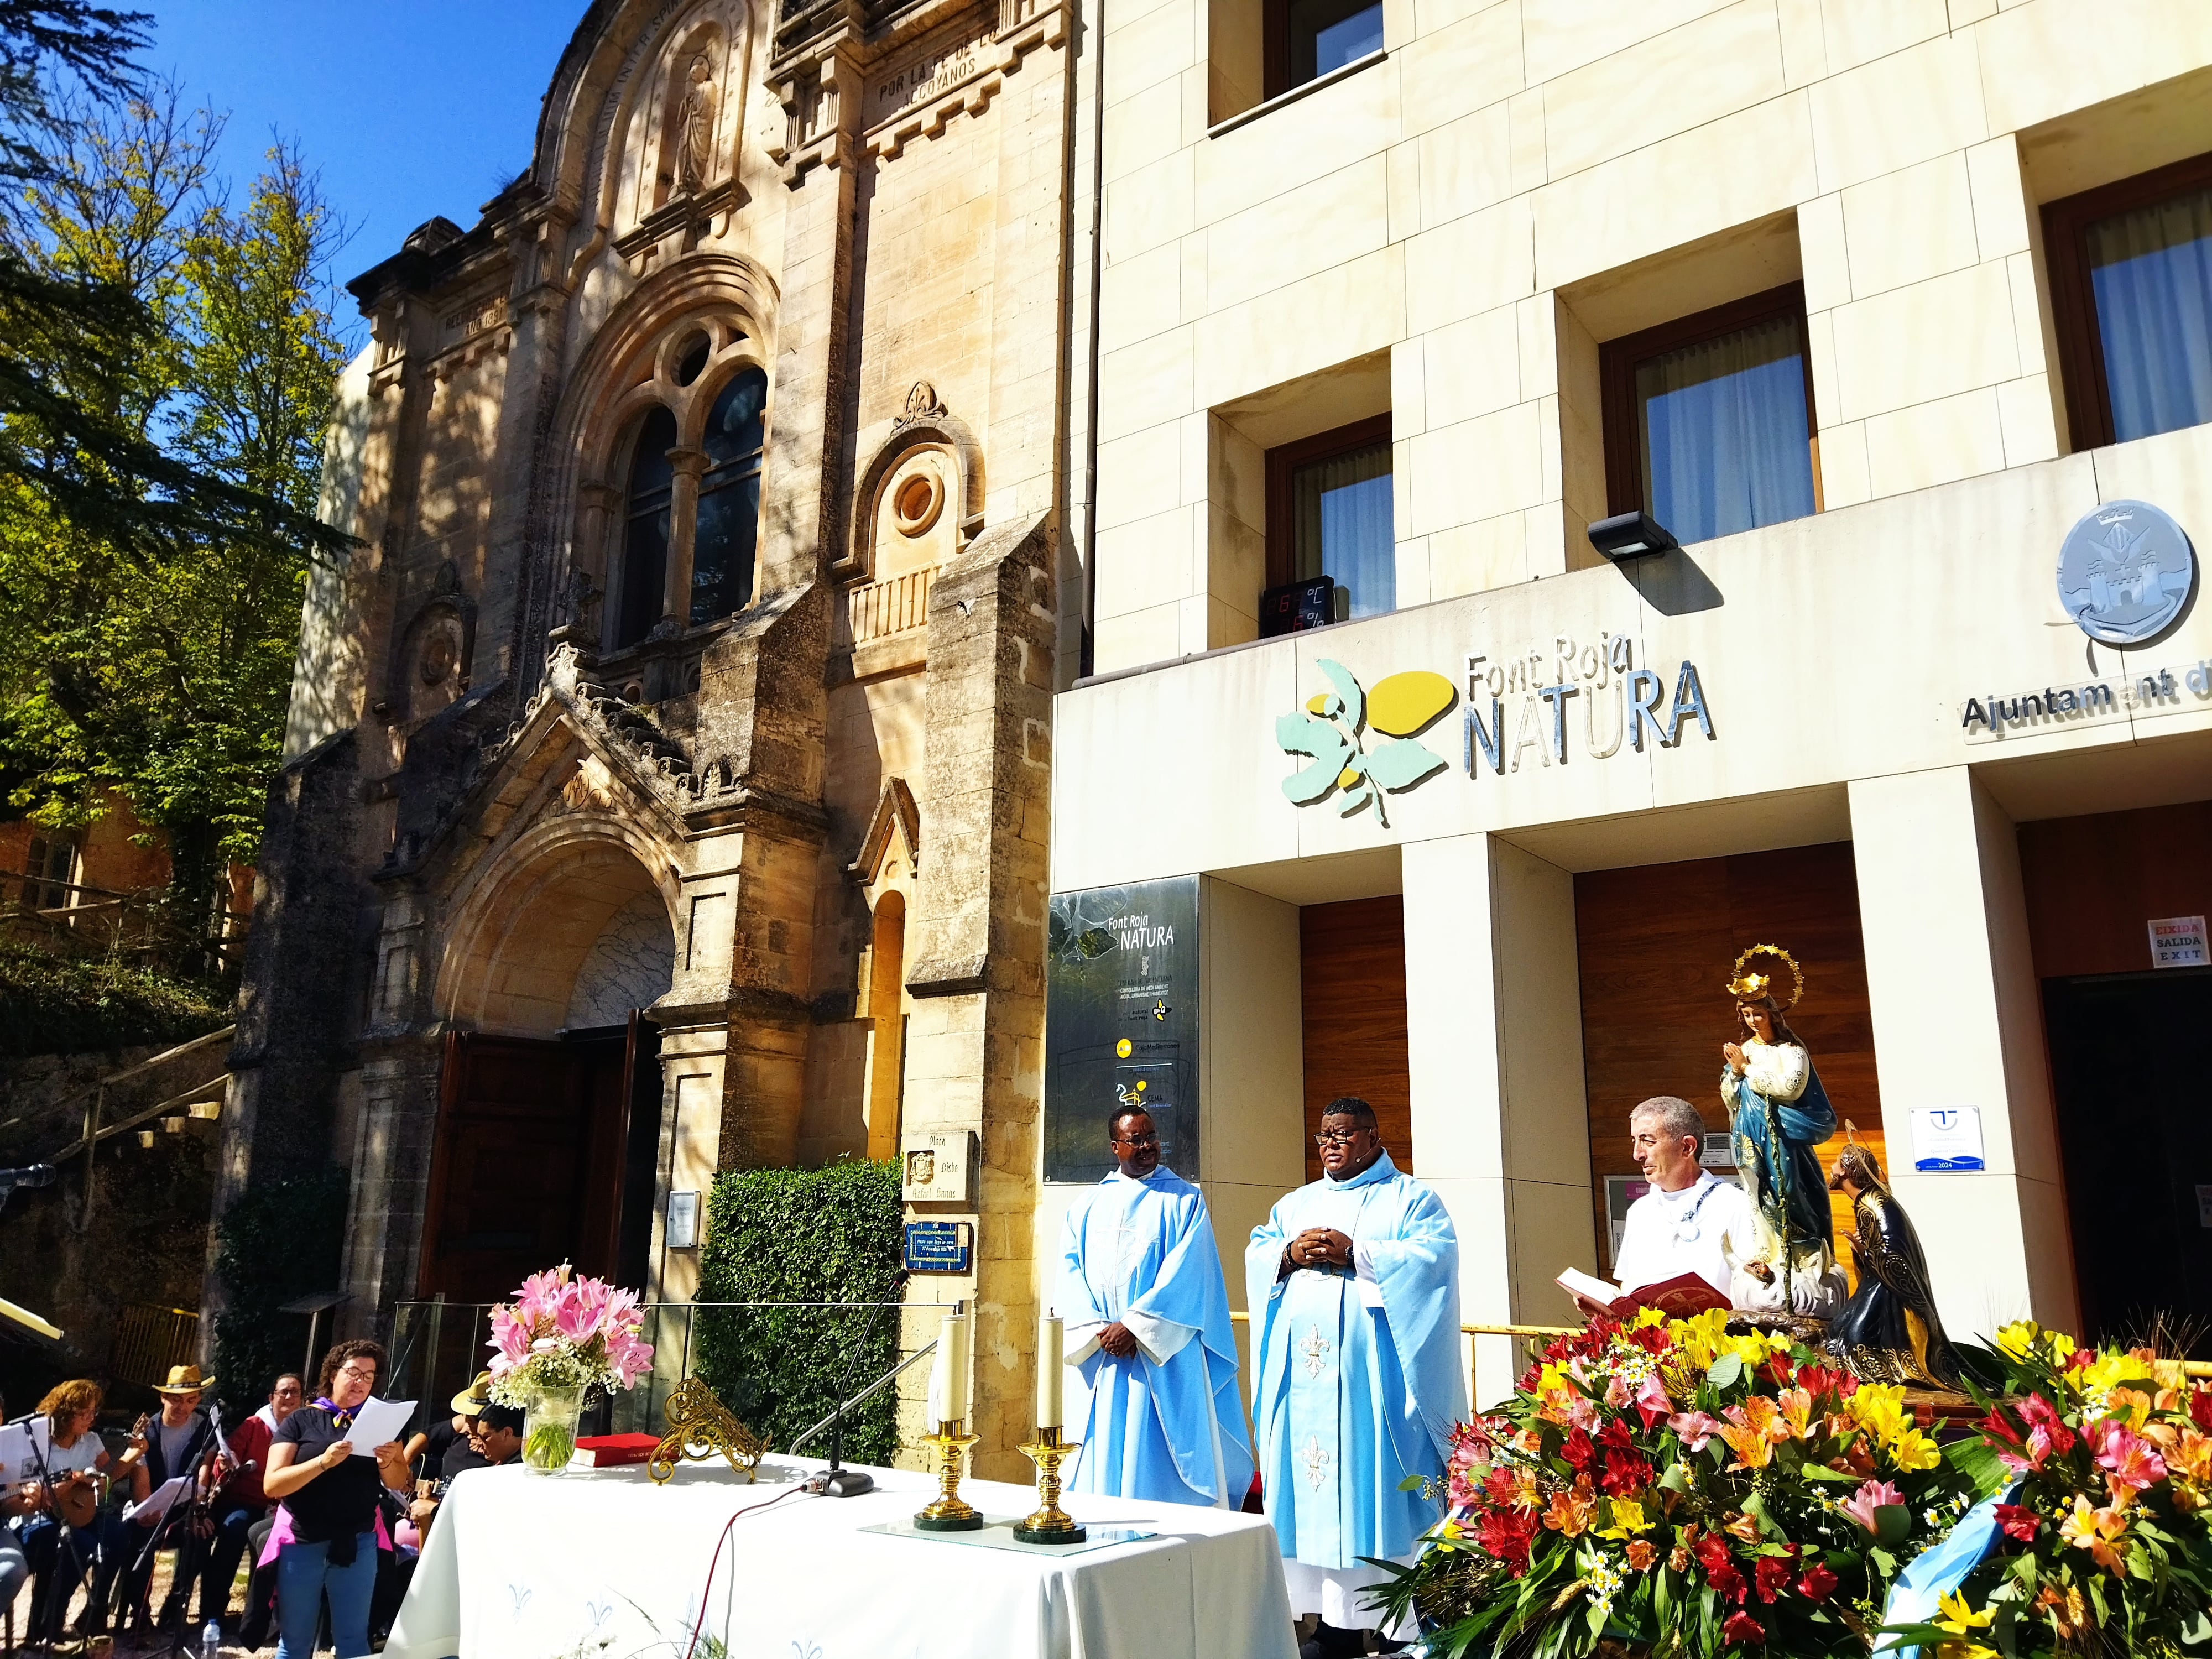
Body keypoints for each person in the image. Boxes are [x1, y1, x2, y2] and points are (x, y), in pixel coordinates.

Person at [1247, 1098, 1464, 1659]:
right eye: (1323, 1136)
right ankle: (1330, 1629)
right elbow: (1258, 1251)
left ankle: (1394, 1629)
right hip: (1305, 1393)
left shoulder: (1410, 1198)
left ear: (1372, 1137)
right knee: (1311, 1491)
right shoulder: (1296, 1203)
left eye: (1343, 1134)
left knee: (1371, 1493)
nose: (1331, 1145)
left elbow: (1433, 1260)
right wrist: (1289, 1254)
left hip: (1373, 1393)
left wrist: (1360, 1255)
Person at [1055, 1105, 1254, 1507]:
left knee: (1163, 1458)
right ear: (1115, 1147)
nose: (1147, 1146)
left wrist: (1134, 1327)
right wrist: (1100, 1331)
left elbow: (1189, 1276)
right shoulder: (1086, 1207)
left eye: (1152, 1137)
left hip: (1165, 1356)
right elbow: (1068, 1274)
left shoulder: (1185, 1201)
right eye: (1136, 1140)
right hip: (1106, 1357)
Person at [260, 1339, 412, 1659]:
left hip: (358, 1542)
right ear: (333, 1374)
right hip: (303, 1542)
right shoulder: (301, 1420)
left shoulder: (380, 1421)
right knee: (294, 1643)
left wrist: (387, 1461)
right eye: (354, 1372)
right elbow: (273, 1484)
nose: (360, 1382)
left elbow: (399, 1482)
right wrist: (322, 1463)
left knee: (354, 1642)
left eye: (369, 1377)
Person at [1720, 949, 1846, 1314]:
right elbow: (1731, 1097)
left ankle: (1803, 1254)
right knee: (1758, 1193)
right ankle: (1771, 1252)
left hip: (1784, 1139)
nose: (1753, 1019)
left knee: (1789, 1192)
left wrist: (1745, 1071)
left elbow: (1789, 1087)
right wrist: (1731, 1077)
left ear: (1772, 1013)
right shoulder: (1743, 1050)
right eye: (1746, 1014)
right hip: (1748, 1134)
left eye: (1758, 1013)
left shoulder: (1792, 1051)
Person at [1824, 1144, 1961, 1387]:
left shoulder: (1871, 1204)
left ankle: (1882, 1385)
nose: (1832, 1169)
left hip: (1889, 1288)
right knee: (1838, 1327)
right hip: (1877, 1280)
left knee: (1858, 1337)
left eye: (1836, 1164)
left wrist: (1863, 1250)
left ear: (1845, 1171)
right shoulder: (1869, 1200)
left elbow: (1892, 1255)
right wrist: (1861, 1249)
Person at [1603, 1095, 1758, 1306]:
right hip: (1652, 1337)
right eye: (1635, 1141)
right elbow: (1628, 1287)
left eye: (1647, 1141)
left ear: (1687, 1147)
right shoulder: (1640, 1211)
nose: (1637, 1154)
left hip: (1720, 1336)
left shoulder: (1737, 1206)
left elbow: (1755, 1292)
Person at [18, 1378, 133, 1645]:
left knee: (117, 1535)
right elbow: (37, 1496)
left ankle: (95, 1613)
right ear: (65, 1413)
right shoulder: (40, 1442)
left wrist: (132, 1457)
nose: (92, 1419)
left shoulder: (91, 1440)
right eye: (85, 1413)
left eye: (94, 1412)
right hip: (42, 1517)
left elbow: (107, 1476)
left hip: (79, 1512)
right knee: (79, 1544)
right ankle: (48, 1624)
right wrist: (73, 1478)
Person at [117, 1364, 221, 1634]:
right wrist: (147, 1510)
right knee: (141, 1539)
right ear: (163, 1397)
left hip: (185, 1507)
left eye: (190, 1400)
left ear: (198, 1399)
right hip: (150, 1502)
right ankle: (140, 1614)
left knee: (201, 1536)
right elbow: (140, 1474)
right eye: (175, 1399)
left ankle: (175, 1605)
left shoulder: (205, 1427)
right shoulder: (146, 1429)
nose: (182, 1406)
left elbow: (205, 1470)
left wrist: (200, 1511)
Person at [196, 1371, 287, 1633]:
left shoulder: (304, 1426)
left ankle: (266, 1616)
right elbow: (226, 1459)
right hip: (245, 1499)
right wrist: (224, 1463)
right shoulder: (254, 1425)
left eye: (296, 1393)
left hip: (283, 1504)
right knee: (234, 1529)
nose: (290, 1397)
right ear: (272, 1398)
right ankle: (212, 1612)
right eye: (284, 1392)